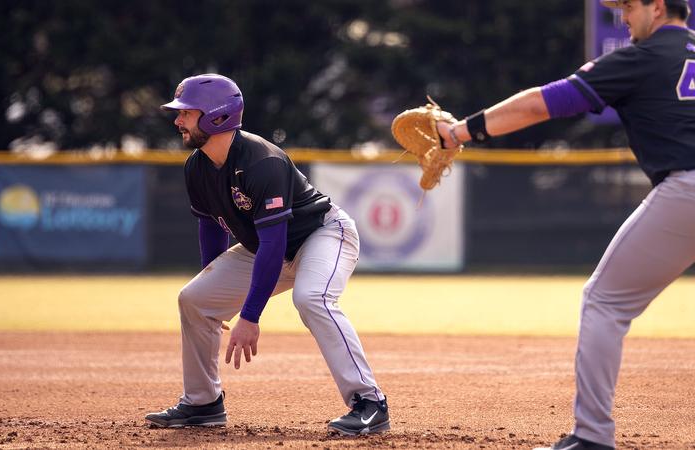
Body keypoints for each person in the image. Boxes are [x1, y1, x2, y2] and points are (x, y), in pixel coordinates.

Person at [433, 1, 695, 448]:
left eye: (630, 6)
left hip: (687, 188)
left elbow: (542, 104)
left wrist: (460, 132)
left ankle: (591, 437)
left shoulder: (642, 57)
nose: (623, 17)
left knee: (604, 302)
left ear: (657, 6)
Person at [144, 73, 389, 436]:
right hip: (267, 248)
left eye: (187, 112)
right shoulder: (196, 167)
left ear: (217, 116)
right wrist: (217, 294)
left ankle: (369, 403)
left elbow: (275, 244)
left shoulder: (262, 161)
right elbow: (211, 228)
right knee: (194, 299)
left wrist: (249, 315)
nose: (177, 120)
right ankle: (202, 403)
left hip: (322, 236)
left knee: (312, 298)